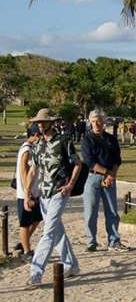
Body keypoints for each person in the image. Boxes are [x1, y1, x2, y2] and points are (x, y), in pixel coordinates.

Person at [24, 108, 81, 286]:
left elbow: (77, 163)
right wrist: (27, 194)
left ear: (51, 122)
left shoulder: (64, 141)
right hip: (44, 194)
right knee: (57, 231)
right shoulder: (38, 145)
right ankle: (71, 265)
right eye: (38, 122)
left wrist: (70, 184)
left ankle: (36, 272)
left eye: (43, 122)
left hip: (59, 192)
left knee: (48, 233)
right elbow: (33, 170)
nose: (40, 125)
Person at [81, 110, 127, 252]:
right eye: (93, 121)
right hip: (93, 177)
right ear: (90, 123)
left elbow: (117, 159)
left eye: (99, 121)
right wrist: (107, 173)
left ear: (103, 122)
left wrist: (111, 175)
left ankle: (114, 241)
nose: (96, 124)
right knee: (90, 211)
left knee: (112, 211)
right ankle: (91, 242)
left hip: (110, 177)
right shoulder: (87, 139)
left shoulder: (111, 139)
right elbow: (89, 161)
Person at [15, 124, 43, 259]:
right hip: (26, 193)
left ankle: (22, 242)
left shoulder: (31, 148)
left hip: (33, 191)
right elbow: (23, 171)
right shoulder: (27, 150)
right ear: (36, 135)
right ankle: (26, 251)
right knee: (25, 223)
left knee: (38, 218)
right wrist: (27, 192)